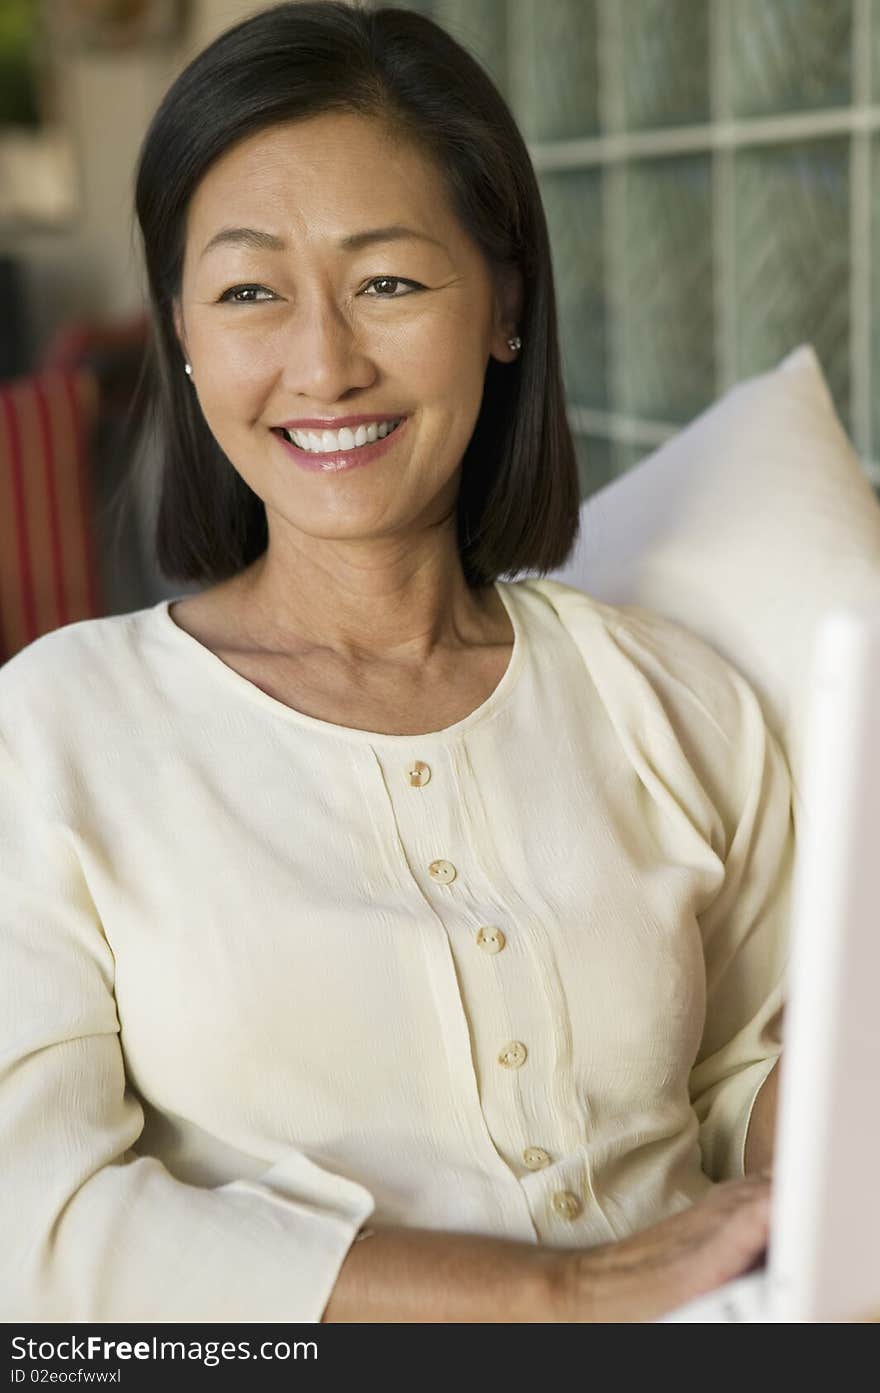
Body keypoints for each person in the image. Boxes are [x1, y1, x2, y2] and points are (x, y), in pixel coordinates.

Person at [0, 2, 789, 1323]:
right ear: (184, 334)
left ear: (505, 305)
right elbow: (36, 1223)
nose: (324, 363)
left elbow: (762, 1074)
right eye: (251, 291)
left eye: (389, 282)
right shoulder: (55, 735)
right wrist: (558, 1291)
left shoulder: (677, 700)